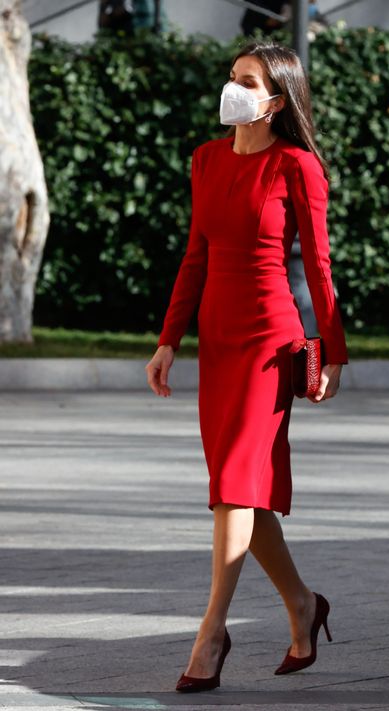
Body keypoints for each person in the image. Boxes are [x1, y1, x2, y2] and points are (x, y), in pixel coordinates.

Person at [145, 41, 348, 693]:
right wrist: (169, 339)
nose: (233, 88)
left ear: (275, 100)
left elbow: (317, 267)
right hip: (219, 343)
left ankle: (211, 632)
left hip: (271, 342)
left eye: (248, 81)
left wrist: (331, 350)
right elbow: (194, 256)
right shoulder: (205, 160)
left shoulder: (296, 166)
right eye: (232, 77)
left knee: (234, 485)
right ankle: (302, 605)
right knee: (242, 495)